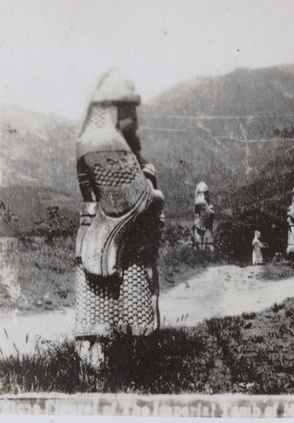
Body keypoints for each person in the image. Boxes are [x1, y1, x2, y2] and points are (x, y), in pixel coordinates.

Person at [75, 69, 164, 367]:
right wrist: (153, 190)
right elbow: (139, 198)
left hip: (105, 237)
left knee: (112, 312)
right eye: (129, 111)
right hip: (110, 242)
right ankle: (117, 367)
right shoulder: (104, 145)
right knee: (108, 314)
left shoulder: (92, 143)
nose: (134, 121)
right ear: (113, 110)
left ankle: (124, 366)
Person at [193, 181, 215, 251]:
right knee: (200, 245)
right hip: (200, 227)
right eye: (205, 194)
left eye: (207, 194)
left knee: (205, 246)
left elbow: (210, 213)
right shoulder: (201, 202)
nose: (206, 196)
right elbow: (210, 213)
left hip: (205, 228)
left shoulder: (203, 203)